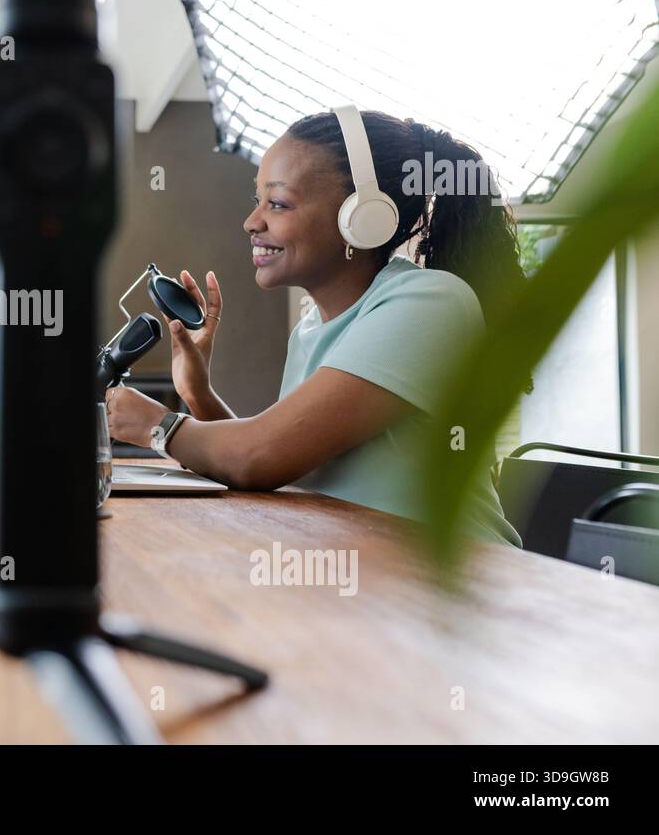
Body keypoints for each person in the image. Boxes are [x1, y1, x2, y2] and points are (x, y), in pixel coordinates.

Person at [105, 108, 523, 545]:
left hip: (466, 584)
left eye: (278, 203)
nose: (252, 223)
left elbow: (258, 455)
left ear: (362, 216)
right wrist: (197, 393)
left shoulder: (430, 303)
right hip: (377, 582)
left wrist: (158, 427)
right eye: (257, 202)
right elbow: (280, 466)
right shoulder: (309, 330)